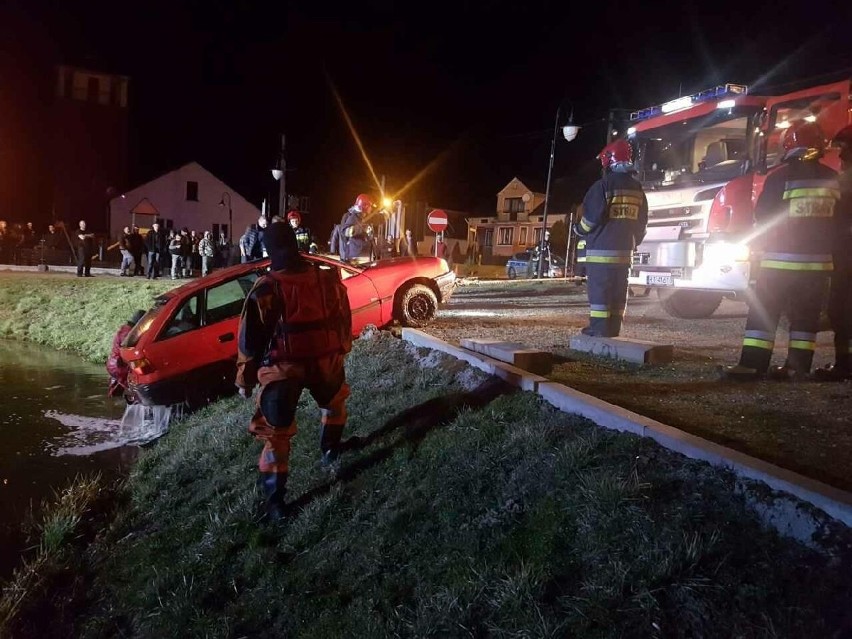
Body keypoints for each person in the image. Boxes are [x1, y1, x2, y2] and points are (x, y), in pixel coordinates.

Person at [235, 221, 353, 521]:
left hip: (283, 370)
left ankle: (276, 503)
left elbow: (250, 341)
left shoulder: (265, 288)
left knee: (276, 435)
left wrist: (245, 381)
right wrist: (341, 348)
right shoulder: (326, 280)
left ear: (269, 249)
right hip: (325, 360)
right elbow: (343, 317)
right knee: (334, 403)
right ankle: (331, 450)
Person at [721, 120, 840, 381]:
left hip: (779, 263)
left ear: (789, 145)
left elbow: (763, 216)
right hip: (818, 267)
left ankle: (753, 365)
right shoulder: (833, 180)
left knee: (764, 313)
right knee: (805, 320)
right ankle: (796, 368)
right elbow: (841, 222)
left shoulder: (780, 177)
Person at [573, 138, 648, 337]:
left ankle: (598, 329)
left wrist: (578, 230)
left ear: (609, 160)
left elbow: (591, 219)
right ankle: (614, 328)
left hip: (601, 254)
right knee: (618, 292)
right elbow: (642, 223)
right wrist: (633, 242)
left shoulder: (602, 186)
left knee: (600, 293)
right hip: (625, 253)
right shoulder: (637, 189)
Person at [812, 125, 852, 381]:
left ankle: (845, 365)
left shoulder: (845, 180)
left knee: (842, 309)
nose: (840, 155)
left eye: (844, 148)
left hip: (846, 255)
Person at [107, 309, 146, 398]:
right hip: (120, 364)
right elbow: (130, 352)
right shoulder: (129, 333)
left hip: (114, 363)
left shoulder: (125, 329)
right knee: (142, 371)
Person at [339, 193, 375, 264]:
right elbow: (344, 232)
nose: (371, 208)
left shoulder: (365, 218)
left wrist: (392, 208)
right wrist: (361, 228)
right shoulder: (353, 217)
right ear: (364, 206)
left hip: (365, 256)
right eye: (370, 206)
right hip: (357, 258)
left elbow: (380, 218)